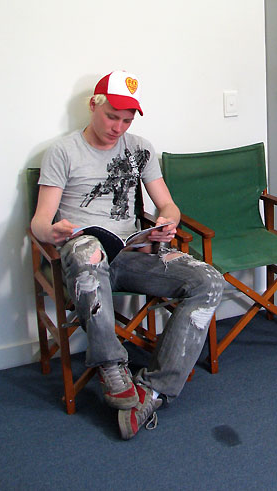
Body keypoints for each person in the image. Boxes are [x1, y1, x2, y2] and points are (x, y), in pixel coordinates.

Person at [31, 70, 224, 438]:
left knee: (209, 280)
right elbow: (39, 223)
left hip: (133, 251)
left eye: (126, 120)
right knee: (88, 251)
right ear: (93, 105)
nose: (118, 128)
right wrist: (53, 231)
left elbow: (168, 205)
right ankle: (112, 367)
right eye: (111, 117)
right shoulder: (63, 151)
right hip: (85, 256)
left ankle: (153, 391)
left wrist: (167, 222)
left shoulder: (140, 149)